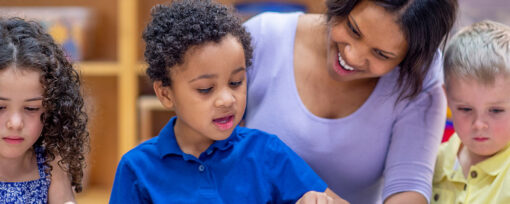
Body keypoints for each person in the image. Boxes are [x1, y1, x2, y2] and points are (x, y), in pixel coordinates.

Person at [109, 1, 347, 203]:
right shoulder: (136, 168)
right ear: (165, 94)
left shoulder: (267, 152)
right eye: (205, 89)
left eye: (236, 82)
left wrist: (316, 200)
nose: (226, 100)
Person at [243, 0, 457, 203]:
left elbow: (408, 187)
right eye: (353, 29)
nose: (352, 56)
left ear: (409, 59)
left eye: (381, 54)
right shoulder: (263, 37)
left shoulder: (417, 83)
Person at [0, 17, 89, 204]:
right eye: (0, 107)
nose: (15, 123)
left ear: (52, 109)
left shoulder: (50, 166)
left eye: (31, 108)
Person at [432, 20, 510, 204]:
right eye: (465, 109)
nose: (479, 124)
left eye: (496, 110)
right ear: (447, 99)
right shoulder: (433, 162)